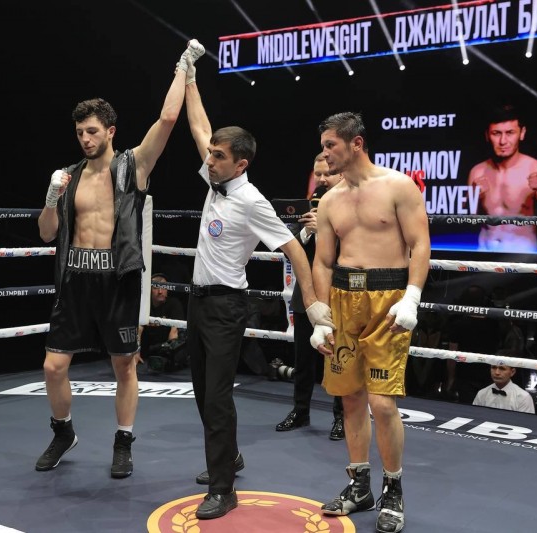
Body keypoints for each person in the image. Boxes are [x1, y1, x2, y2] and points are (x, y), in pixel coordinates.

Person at [34, 40, 197, 479]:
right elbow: (47, 233)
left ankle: (123, 441)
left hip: (117, 279)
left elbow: (167, 119)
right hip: (75, 280)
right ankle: (63, 432)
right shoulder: (69, 177)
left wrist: (182, 68)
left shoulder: (132, 166)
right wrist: (50, 200)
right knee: (53, 366)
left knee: (124, 365)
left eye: (92, 131)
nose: (85, 139)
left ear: (110, 131)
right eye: (79, 133)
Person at [182, 49, 333, 520]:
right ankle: (229, 456)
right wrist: (189, 77)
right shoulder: (215, 180)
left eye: (218, 156)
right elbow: (199, 126)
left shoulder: (251, 200)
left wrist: (313, 305)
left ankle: (223, 489)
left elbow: (294, 250)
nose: (209, 159)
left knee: (216, 397)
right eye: (211, 154)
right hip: (197, 302)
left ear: (241, 164)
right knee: (201, 391)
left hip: (227, 307)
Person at [311, 112, 430, 533]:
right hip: (344, 300)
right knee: (350, 399)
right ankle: (359, 484)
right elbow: (322, 261)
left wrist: (412, 297)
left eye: (331, 145)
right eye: (323, 147)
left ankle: (392, 489)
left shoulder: (398, 186)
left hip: (388, 300)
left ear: (356, 143)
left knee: (382, 402)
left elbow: (420, 244)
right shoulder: (330, 200)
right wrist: (319, 314)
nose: (325, 154)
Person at [276, 152, 345, 440]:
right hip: (307, 295)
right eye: (318, 174)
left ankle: (342, 417)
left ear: (341, 173)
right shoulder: (307, 207)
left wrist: (327, 232)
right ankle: (300, 410)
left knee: (339, 358)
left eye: (327, 173)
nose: (322, 179)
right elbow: (289, 250)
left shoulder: (352, 206)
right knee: (303, 358)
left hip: (340, 294)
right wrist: (307, 232)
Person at [467, 103, 537, 253]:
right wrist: (474, 196)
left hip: (522, 254)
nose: (503, 141)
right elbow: (468, 220)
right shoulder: (477, 171)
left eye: (510, 133)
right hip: (485, 253)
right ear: (487, 135)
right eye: (496, 133)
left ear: (522, 133)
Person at [141, 272, 186, 373]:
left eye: (164, 287)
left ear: (168, 290)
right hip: (146, 351)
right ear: (149, 290)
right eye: (156, 288)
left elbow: (174, 332)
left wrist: (168, 355)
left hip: (164, 349)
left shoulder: (174, 304)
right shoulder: (144, 305)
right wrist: (135, 353)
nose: (160, 291)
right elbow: (138, 329)